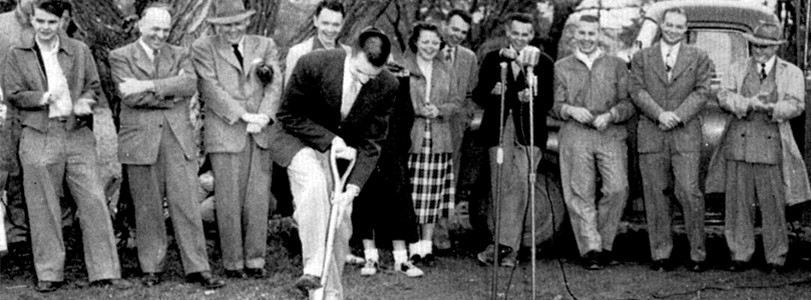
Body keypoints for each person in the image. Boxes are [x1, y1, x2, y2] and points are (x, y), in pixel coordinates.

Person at [2, 0, 132, 292]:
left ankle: (106, 270)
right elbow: (12, 93)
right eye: (40, 22)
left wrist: (86, 100)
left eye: (52, 22)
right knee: (43, 205)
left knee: (94, 199)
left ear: (63, 21)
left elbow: (94, 86)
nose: (46, 28)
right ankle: (49, 272)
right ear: (31, 21)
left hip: (76, 135)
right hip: (37, 133)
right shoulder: (18, 53)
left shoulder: (79, 50)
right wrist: (39, 98)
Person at [269, 27, 397, 300]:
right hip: (297, 140)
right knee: (314, 186)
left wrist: (352, 189)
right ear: (352, 52)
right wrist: (331, 140)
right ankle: (314, 268)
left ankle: (330, 293)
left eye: (371, 77)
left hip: (340, 157)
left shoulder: (388, 85)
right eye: (358, 73)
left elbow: (372, 143)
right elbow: (288, 115)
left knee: (340, 220)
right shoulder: (313, 63)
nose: (364, 81)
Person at [109, 4, 224, 288]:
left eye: (165, 29)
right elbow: (129, 97)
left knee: (186, 205)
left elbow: (188, 85)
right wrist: (168, 93)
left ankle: (198, 267)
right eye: (154, 29)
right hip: (139, 141)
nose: (160, 35)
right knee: (146, 207)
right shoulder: (119, 56)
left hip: (177, 139)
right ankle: (152, 267)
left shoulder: (181, 53)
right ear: (140, 26)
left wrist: (146, 86)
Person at [705, 22, 811, 273]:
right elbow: (723, 96)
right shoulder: (736, 68)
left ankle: (775, 257)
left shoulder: (791, 72)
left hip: (772, 146)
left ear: (775, 47)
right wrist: (747, 103)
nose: (759, 50)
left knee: (773, 204)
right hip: (738, 145)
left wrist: (772, 109)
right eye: (755, 45)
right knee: (738, 203)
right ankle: (740, 255)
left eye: (765, 46)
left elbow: (797, 104)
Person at [191, 0, 282, 279]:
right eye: (225, 25)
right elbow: (210, 88)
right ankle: (232, 263)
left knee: (257, 199)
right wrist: (243, 116)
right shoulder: (204, 47)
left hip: (260, 133)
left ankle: (255, 261)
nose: (232, 29)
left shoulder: (265, 45)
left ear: (247, 21)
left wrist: (265, 117)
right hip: (227, 131)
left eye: (237, 23)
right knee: (227, 199)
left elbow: (275, 82)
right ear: (216, 25)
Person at [629, 7, 712, 272]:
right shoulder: (642, 57)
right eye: (669, 25)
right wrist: (659, 114)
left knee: (688, 191)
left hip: (685, 132)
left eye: (679, 26)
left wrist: (677, 115)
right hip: (652, 132)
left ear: (685, 29)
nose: (673, 30)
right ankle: (661, 253)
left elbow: (702, 91)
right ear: (662, 25)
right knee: (655, 194)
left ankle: (697, 253)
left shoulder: (698, 56)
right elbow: (636, 89)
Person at [553, 15, 634, 270]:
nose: (587, 39)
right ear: (575, 35)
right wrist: (569, 110)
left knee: (617, 188)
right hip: (576, 132)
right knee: (580, 191)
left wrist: (611, 115)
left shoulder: (617, 65)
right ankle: (591, 249)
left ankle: (604, 242)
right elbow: (554, 105)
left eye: (592, 34)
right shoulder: (562, 67)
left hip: (609, 133)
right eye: (583, 33)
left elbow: (628, 103)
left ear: (600, 35)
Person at [473, 13, 554, 267]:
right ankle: (508, 249)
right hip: (498, 129)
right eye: (515, 33)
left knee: (520, 185)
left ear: (532, 35)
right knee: (500, 185)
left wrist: (532, 98)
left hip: (529, 133)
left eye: (525, 34)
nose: (520, 39)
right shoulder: (493, 59)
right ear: (508, 33)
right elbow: (478, 95)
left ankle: (504, 246)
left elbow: (548, 101)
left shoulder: (544, 62)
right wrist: (493, 92)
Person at [351, 57, 422, 277]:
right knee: (365, 200)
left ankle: (401, 259)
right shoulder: (358, 77)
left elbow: (406, 116)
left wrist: (399, 147)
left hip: (392, 150)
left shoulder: (399, 80)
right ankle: (370, 256)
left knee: (398, 199)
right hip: (365, 148)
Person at [403, 22, 461, 266]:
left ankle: (426, 247)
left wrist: (438, 110)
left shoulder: (446, 69)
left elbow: (457, 103)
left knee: (431, 195)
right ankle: (412, 244)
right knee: (412, 194)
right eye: (425, 41)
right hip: (411, 138)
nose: (430, 47)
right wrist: (418, 109)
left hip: (438, 138)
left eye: (435, 42)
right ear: (416, 41)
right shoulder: (403, 65)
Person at [432, 8, 479, 251]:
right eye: (454, 29)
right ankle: (417, 232)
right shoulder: (429, 48)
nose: (458, 35)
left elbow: (472, 94)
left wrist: (465, 118)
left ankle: (441, 231)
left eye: (463, 32)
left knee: (449, 177)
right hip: (428, 123)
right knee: (423, 176)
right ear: (444, 26)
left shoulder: (469, 58)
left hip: (454, 127)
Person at [0, 0, 35, 248]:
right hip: (5, 108)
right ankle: (15, 234)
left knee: (34, 169)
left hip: (36, 108)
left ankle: (37, 233)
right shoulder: (2, 25)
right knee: (8, 169)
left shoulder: (49, 25)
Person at [284, 0, 350, 83]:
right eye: (325, 23)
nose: (330, 30)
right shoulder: (298, 53)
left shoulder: (349, 55)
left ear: (342, 24)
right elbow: (290, 93)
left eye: (336, 25)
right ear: (315, 21)